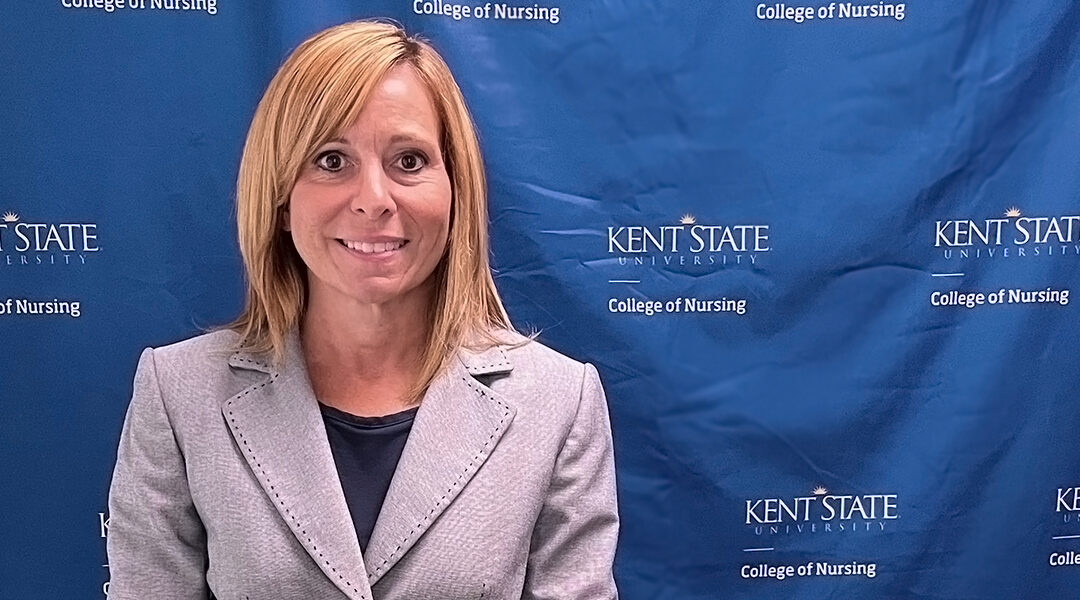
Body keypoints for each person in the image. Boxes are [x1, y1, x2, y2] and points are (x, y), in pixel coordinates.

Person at [106, 19, 619, 600]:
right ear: (279, 197)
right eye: (330, 161)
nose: (374, 200)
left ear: (455, 190)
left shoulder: (557, 401)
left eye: (409, 161)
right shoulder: (178, 394)